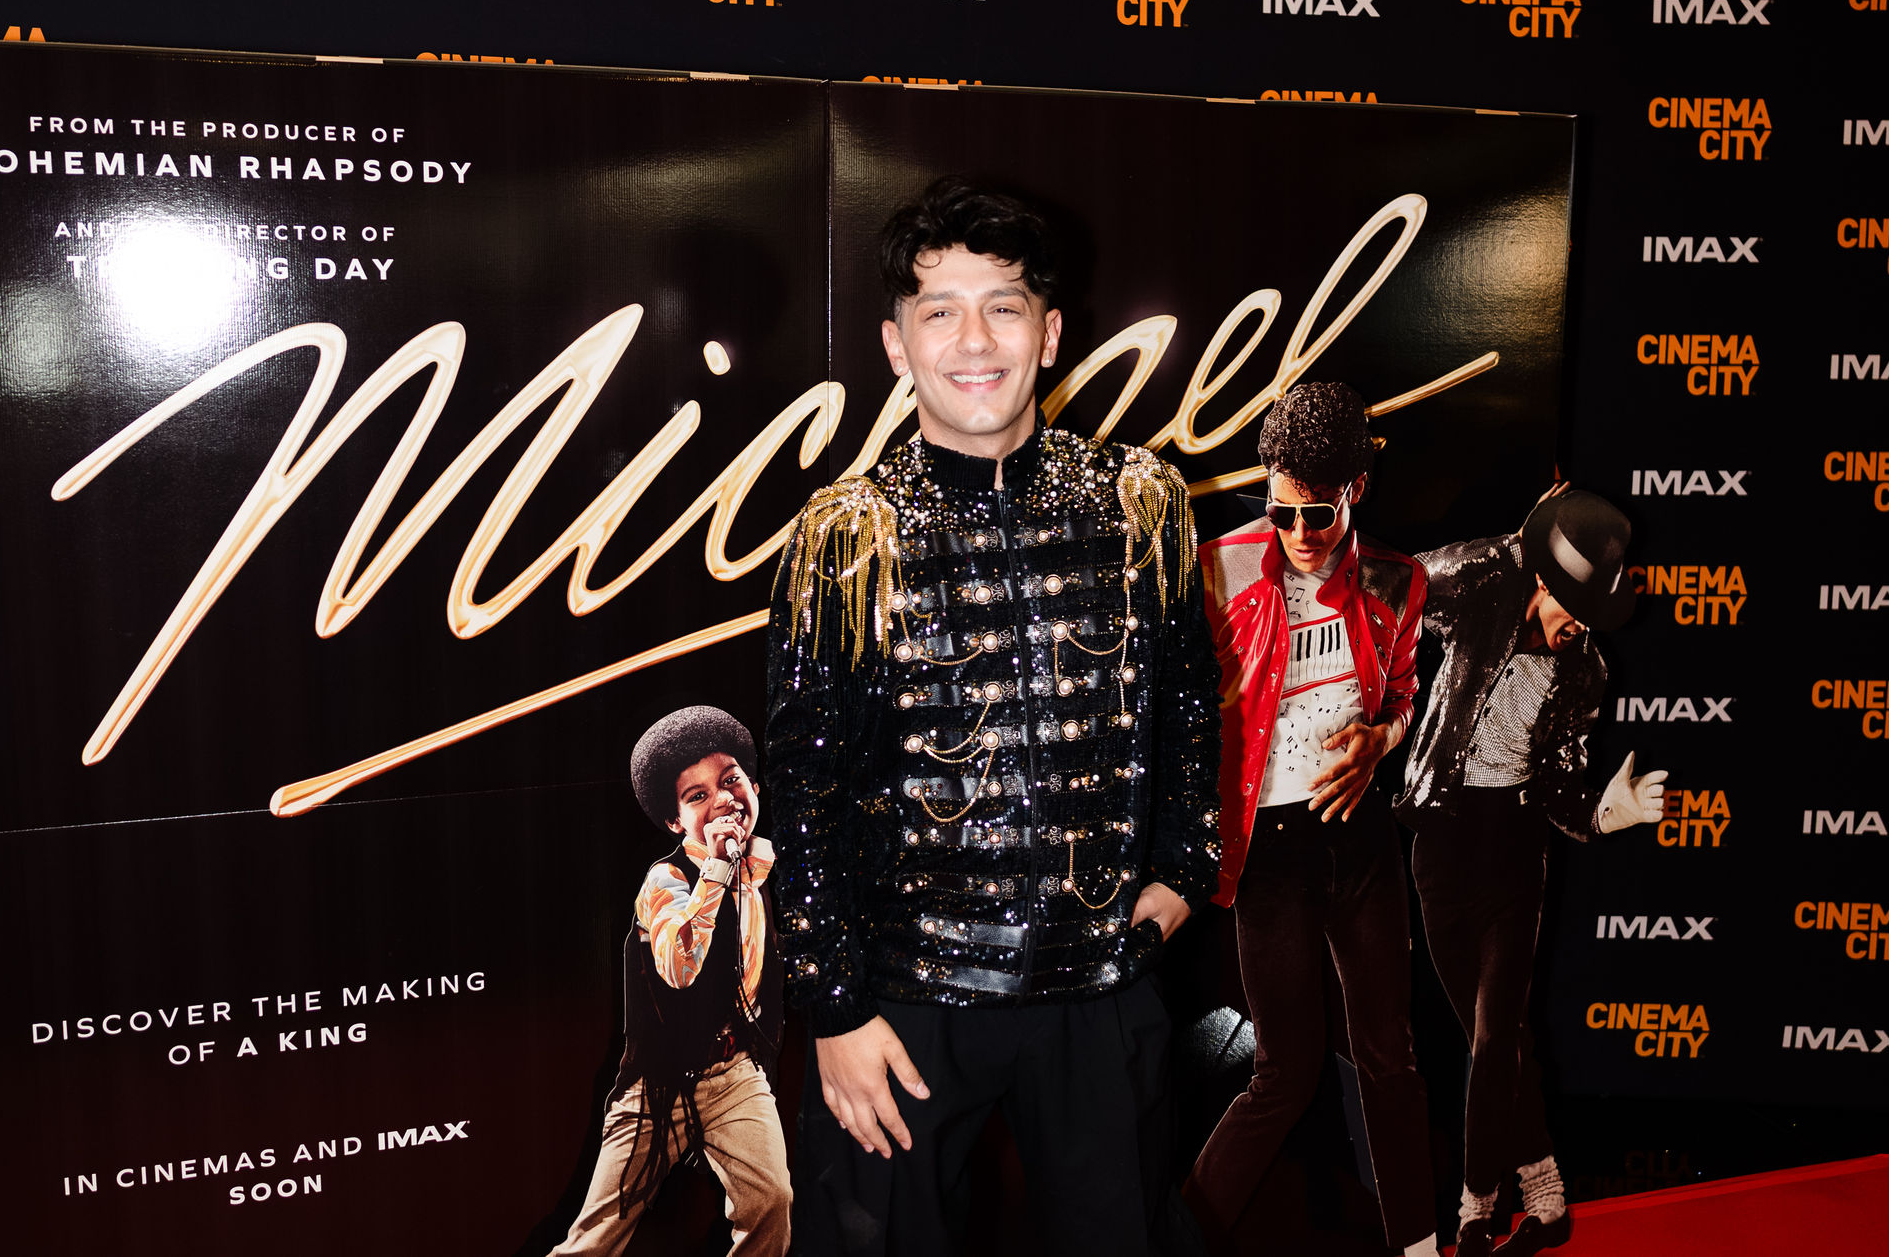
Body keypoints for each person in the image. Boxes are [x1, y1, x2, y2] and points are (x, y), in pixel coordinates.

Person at [764, 176, 1222, 1255]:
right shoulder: (847, 534)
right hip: (904, 1002)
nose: (974, 341)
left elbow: (1190, 706)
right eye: (940, 311)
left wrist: (1181, 874)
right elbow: (802, 782)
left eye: (1003, 307)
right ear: (896, 343)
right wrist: (834, 1007)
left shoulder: (1141, 502)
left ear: (1049, 333)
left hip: (1098, 988)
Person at [1185, 381, 1439, 1257]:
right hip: (1269, 852)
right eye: (1281, 509)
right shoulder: (1218, 571)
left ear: (1356, 490)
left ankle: (1418, 1246)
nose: (1298, 533)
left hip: (1361, 843)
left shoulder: (1397, 580)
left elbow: (1403, 694)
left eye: (1318, 514)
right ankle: (1180, 1240)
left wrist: (1381, 741)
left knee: (1391, 1057)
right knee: (1284, 1072)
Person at [1396, 486, 1666, 1257]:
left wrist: (1601, 814)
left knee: (1492, 1040)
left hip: (1515, 856)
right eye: (1573, 604)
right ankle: (1547, 1194)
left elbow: (1558, 782)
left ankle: (1475, 1209)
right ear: (1542, 580)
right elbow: (1407, 580)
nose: (1579, 625)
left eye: (1594, 613)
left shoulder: (1585, 671)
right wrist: (1519, 545)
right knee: (1504, 1039)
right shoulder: (1484, 595)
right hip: (1441, 848)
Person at [551, 705, 791, 1257]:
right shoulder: (666, 878)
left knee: (771, 1202)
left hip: (734, 1072)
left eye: (730, 781)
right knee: (597, 1237)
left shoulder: (762, 872)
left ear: (755, 788)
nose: (723, 799)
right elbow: (679, 969)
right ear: (676, 822)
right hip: (659, 1083)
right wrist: (716, 868)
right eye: (698, 795)